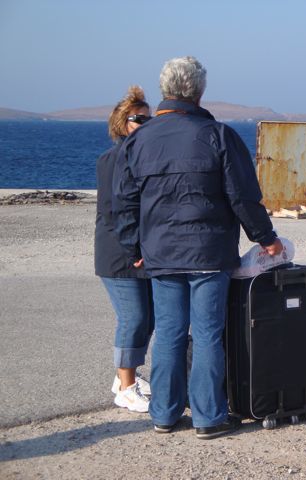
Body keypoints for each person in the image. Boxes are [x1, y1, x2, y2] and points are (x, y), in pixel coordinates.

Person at [112, 56, 283, 439]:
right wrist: (266, 238)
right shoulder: (218, 135)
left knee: (170, 333)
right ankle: (208, 417)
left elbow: (122, 202)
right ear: (199, 91)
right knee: (207, 334)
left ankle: (165, 414)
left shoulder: (139, 140)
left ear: (164, 91)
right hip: (209, 251)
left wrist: (132, 246)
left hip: (159, 251)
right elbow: (243, 195)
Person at [95, 86, 154, 413]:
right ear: (122, 123)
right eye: (138, 119)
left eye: (149, 119)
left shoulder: (143, 155)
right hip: (119, 252)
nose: (145, 124)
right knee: (135, 316)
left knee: (151, 317)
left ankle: (125, 377)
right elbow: (115, 209)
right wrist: (133, 248)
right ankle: (126, 386)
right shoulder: (115, 158)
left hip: (140, 250)